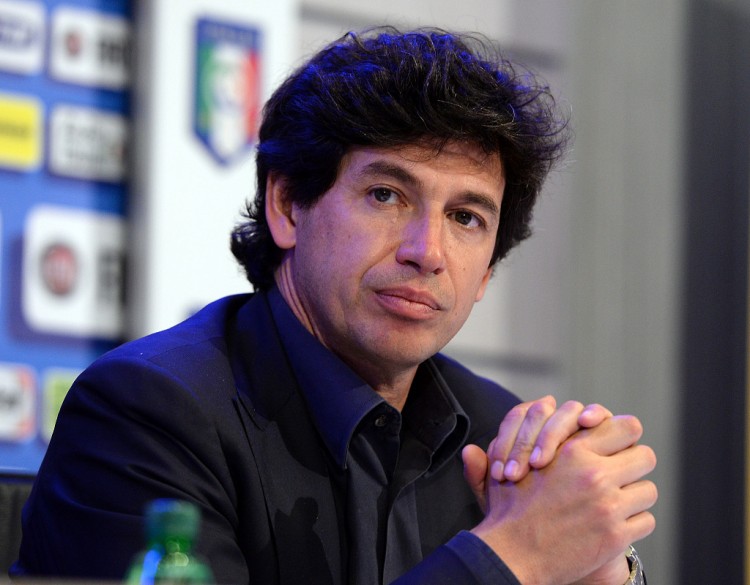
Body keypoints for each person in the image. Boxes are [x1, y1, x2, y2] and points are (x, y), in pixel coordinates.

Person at [11, 28, 657, 584]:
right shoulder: (147, 413)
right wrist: (513, 556)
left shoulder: (498, 435)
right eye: (386, 195)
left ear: (488, 269)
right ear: (288, 205)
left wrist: (596, 566)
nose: (427, 252)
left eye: (465, 217)